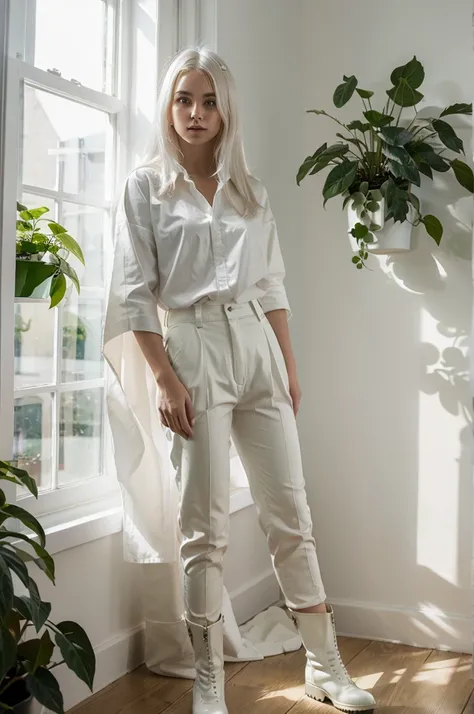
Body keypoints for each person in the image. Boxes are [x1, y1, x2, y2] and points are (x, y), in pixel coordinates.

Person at [104, 47, 376, 714]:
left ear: (227, 111)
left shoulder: (251, 191)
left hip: (257, 344)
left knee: (293, 516)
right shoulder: (145, 188)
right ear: (168, 107)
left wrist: (288, 368)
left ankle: (326, 665)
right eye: (183, 100)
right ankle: (208, 681)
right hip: (192, 348)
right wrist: (165, 379)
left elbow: (273, 285)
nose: (195, 114)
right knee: (204, 525)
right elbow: (135, 296)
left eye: (209, 101)